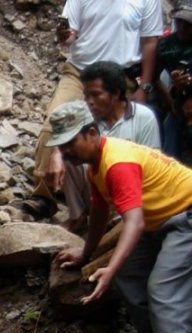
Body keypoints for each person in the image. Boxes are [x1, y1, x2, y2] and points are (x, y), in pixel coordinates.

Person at [51, 100, 192, 333]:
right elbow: (100, 213)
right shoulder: (96, 167)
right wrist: (86, 253)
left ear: (90, 133)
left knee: (163, 289)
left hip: (185, 217)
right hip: (161, 219)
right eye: (61, 147)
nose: (66, 153)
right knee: (130, 273)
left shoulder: (117, 163)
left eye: (69, 144)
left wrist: (108, 269)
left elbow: (134, 222)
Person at [23, 0, 163, 220]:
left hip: (118, 77)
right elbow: (71, 35)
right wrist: (64, 35)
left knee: (111, 135)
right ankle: (44, 194)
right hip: (79, 72)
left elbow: (149, 42)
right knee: (55, 124)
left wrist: (144, 86)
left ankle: (112, 204)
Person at [56, 61, 161, 233]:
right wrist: (56, 154)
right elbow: (63, 135)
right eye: (86, 95)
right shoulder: (86, 116)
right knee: (69, 155)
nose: (89, 102)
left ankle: (118, 219)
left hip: (129, 191)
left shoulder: (143, 117)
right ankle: (78, 216)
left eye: (95, 95)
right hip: (98, 190)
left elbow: (152, 165)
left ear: (115, 93)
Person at [154, 1, 192, 158]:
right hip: (179, 101)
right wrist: (171, 101)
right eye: (179, 22)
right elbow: (152, 77)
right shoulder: (166, 45)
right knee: (170, 125)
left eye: (188, 24)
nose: (182, 28)